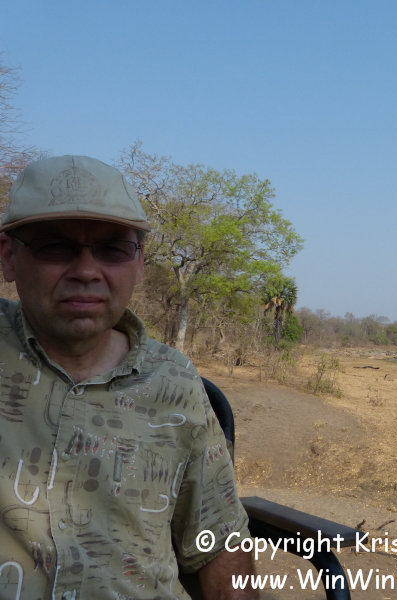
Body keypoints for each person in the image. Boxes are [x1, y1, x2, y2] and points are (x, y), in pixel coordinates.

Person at [0, 155, 257, 599]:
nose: (86, 271)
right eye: (54, 247)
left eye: (113, 249)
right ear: (7, 257)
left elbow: (219, 542)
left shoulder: (176, 381)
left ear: (139, 263)